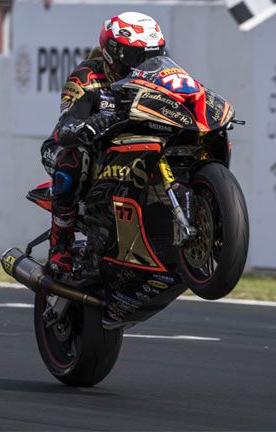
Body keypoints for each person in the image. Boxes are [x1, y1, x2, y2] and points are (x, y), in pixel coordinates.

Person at [40, 12, 166, 275]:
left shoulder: (161, 78)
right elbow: (66, 125)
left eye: (153, 56)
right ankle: (60, 244)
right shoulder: (87, 77)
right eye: (136, 57)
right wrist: (88, 125)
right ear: (112, 53)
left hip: (130, 153)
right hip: (77, 149)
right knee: (75, 158)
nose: (144, 65)